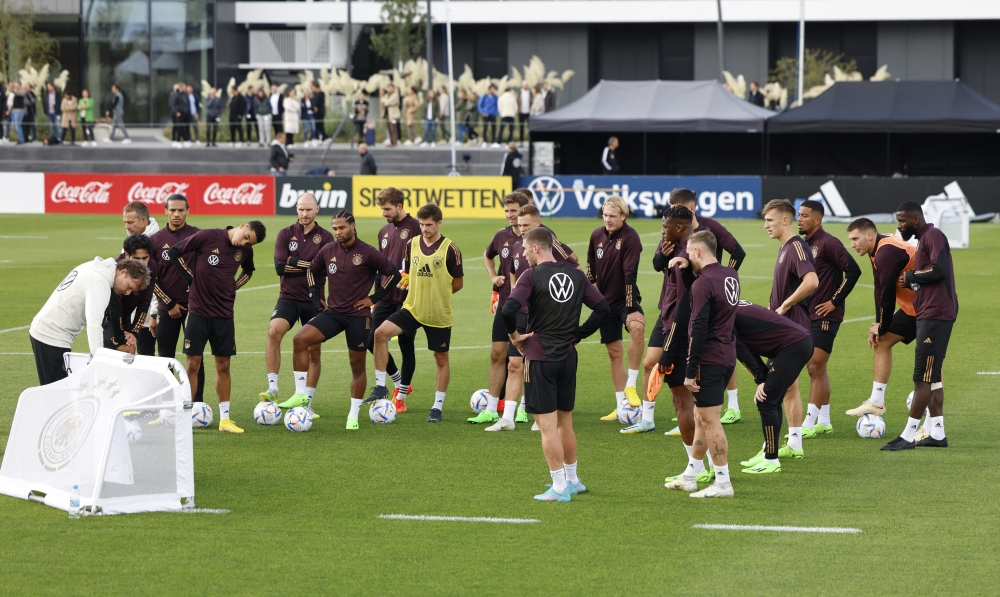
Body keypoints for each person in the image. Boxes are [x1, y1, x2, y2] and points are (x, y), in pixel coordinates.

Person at [503, 227, 611, 501]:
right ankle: (574, 480)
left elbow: (508, 309)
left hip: (539, 358)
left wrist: (515, 337)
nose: (524, 254)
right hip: (567, 357)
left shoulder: (531, 275)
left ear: (537, 248)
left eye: (525, 249)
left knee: (547, 426)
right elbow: (603, 309)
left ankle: (560, 487)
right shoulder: (576, 274)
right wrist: (580, 335)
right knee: (565, 423)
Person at [282, 212, 401, 428]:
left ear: (353, 226)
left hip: (357, 316)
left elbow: (393, 273)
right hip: (334, 313)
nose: (338, 232)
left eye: (342, 228)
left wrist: (374, 298)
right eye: (335, 228)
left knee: (357, 367)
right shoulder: (328, 250)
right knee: (300, 339)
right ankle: (301, 394)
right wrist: (315, 294)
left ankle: (353, 416)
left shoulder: (367, 252)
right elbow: (312, 270)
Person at [367, 204, 464, 423]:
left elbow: (458, 283)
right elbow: (409, 271)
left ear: (439, 223)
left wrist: (438, 294)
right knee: (379, 334)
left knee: (440, 359)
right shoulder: (412, 244)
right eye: (421, 224)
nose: (425, 228)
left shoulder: (450, 249)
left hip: (438, 313)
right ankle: (382, 386)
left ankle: (437, 407)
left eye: (429, 224)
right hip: (412, 308)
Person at [167, 221, 266, 434]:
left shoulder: (245, 251)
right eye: (246, 236)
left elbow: (248, 271)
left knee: (223, 366)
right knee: (193, 364)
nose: (245, 243)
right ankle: (185, 415)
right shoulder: (208, 236)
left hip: (224, 315)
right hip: (198, 313)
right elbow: (175, 252)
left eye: (250, 243)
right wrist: (190, 278)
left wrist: (233, 286)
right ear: (242, 226)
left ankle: (225, 420)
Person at [489, 204, 580, 433]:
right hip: (517, 311)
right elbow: (510, 271)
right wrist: (508, 297)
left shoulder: (547, 243)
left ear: (538, 224)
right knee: (513, 364)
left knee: (534, 364)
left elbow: (573, 264)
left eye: (526, 225)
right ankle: (508, 417)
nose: (521, 230)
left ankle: (539, 414)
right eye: (519, 225)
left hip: (541, 315)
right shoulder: (519, 245)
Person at [664, 230, 739, 498]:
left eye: (688, 253)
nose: (686, 257)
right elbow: (711, 293)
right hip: (727, 354)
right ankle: (690, 475)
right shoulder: (729, 274)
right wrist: (688, 271)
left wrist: (690, 368)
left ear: (697, 251)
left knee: (709, 419)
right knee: (700, 417)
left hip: (709, 359)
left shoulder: (702, 284)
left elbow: (698, 327)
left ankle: (722, 483)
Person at [881, 202, 958, 451]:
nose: (899, 225)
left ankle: (907, 435)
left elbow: (940, 271)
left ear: (916, 219)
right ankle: (938, 433)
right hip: (929, 312)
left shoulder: (933, 235)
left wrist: (912, 276)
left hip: (935, 315)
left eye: (902, 221)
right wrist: (912, 281)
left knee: (922, 378)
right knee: (933, 378)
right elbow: (930, 274)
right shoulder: (925, 238)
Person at [668, 188, 747, 423]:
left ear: (690, 208)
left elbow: (738, 252)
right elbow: (659, 263)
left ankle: (732, 405)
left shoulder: (711, 227)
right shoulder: (677, 229)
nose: (673, 214)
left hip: (712, 295)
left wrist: (725, 275)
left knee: (721, 343)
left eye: (676, 208)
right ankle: (695, 407)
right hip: (687, 294)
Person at [258, 194, 335, 412]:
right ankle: (273, 388)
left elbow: (325, 268)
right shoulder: (285, 234)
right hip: (289, 297)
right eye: (301, 209)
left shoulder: (327, 237)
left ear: (317, 210)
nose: (304, 214)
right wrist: (311, 265)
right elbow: (280, 268)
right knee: (274, 331)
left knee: (314, 350)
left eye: (308, 210)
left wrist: (296, 261)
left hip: (314, 298)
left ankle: (307, 400)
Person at [844, 218, 919, 425]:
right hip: (914, 308)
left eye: (855, 238)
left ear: (869, 235)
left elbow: (886, 294)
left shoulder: (885, 252)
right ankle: (876, 402)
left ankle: (933, 418)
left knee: (930, 359)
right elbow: (879, 289)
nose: (852, 244)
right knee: (882, 339)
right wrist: (878, 325)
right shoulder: (876, 249)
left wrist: (882, 325)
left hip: (932, 307)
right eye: (850, 239)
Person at [797, 200, 862, 437]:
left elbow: (853, 271)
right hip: (808, 313)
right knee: (818, 368)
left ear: (817, 219)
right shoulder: (805, 244)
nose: (799, 219)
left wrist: (834, 301)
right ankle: (824, 421)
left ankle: (808, 422)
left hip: (826, 315)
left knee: (814, 366)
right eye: (798, 214)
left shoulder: (829, 242)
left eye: (804, 215)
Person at [29, 257, 149, 385]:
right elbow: (94, 323)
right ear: (123, 272)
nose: (127, 292)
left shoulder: (95, 267)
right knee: (56, 394)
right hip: (50, 335)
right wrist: (97, 359)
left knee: (60, 392)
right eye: (129, 286)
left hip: (48, 331)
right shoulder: (99, 282)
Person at [763, 198, 818, 459]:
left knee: (781, 384)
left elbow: (812, 281)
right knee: (788, 386)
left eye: (770, 220)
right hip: (784, 327)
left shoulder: (796, 247)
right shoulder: (785, 247)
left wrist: (784, 306)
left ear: (786, 220)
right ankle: (794, 444)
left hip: (791, 327)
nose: (766, 226)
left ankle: (776, 447)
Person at [633, 206, 695, 439]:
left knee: (681, 377)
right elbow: (657, 264)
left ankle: (688, 419)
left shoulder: (695, 247)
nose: (661, 231)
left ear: (679, 227)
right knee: (650, 363)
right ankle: (647, 418)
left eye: (664, 227)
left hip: (684, 319)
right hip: (666, 312)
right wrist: (664, 256)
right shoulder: (668, 241)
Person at [732, 301, 813, 474]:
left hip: (793, 346)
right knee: (772, 399)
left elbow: (740, 349)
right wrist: (761, 377)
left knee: (766, 400)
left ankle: (771, 459)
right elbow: (745, 345)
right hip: (794, 344)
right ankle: (769, 453)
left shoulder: (723, 313)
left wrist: (761, 378)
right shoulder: (728, 305)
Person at [472, 192, 530, 426]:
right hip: (505, 307)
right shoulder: (501, 236)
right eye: (506, 211)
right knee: (497, 355)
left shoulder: (537, 236)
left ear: (524, 210)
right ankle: (491, 407)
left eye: (514, 210)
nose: (509, 215)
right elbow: (487, 257)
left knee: (523, 360)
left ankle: (524, 408)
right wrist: (493, 276)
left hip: (527, 309)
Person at [587, 196, 645, 420]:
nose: (607, 219)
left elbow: (630, 275)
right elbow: (591, 264)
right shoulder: (596, 235)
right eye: (605, 215)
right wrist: (593, 290)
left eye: (612, 216)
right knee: (613, 352)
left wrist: (631, 308)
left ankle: (631, 384)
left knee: (638, 328)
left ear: (623, 216)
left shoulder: (631, 238)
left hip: (625, 299)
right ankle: (621, 405)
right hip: (604, 302)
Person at [368, 188, 422, 412]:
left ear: (399, 206)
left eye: (387, 209)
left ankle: (400, 397)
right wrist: (374, 297)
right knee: (372, 339)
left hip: (409, 298)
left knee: (405, 343)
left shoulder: (417, 228)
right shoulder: (384, 231)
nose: (384, 213)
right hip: (386, 297)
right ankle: (399, 382)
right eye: (382, 209)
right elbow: (380, 267)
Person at [149, 194, 204, 402]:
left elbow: (204, 271)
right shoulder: (155, 241)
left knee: (196, 358)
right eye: (172, 210)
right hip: (166, 308)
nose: (177, 214)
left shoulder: (198, 236)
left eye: (181, 210)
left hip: (195, 308)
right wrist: (169, 303)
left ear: (187, 211)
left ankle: (197, 405)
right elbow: (151, 278)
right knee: (166, 359)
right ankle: (169, 403)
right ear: (165, 211)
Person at [103, 234, 158, 356]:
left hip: (125, 317)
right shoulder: (117, 269)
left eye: (145, 258)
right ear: (126, 255)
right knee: (127, 349)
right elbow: (114, 307)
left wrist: (134, 332)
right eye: (136, 259)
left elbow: (145, 301)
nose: (142, 263)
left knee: (128, 352)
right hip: (107, 318)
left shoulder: (152, 267)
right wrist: (121, 334)